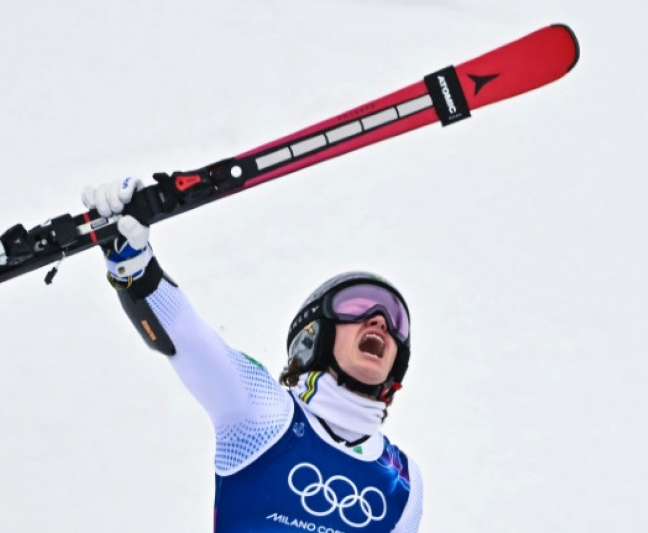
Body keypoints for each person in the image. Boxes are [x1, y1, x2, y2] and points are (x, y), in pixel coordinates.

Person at [82, 177, 423, 532]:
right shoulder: (266, 412)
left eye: (395, 320)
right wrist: (132, 264)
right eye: (357, 305)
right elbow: (187, 338)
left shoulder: (404, 483)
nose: (381, 321)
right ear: (314, 336)